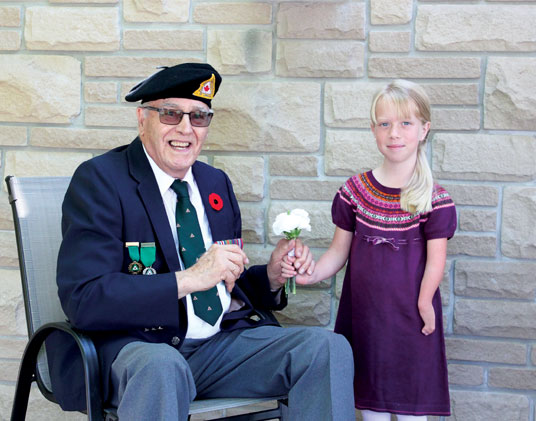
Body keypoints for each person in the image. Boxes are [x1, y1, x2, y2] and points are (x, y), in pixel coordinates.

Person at [46, 62, 355, 421]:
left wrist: (270, 276)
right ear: (142, 119)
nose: (185, 128)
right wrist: (190, 278)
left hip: (218, 349)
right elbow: (85, 299)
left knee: (327, 349)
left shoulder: (214, 184)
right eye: (170, 114)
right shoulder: (101, 181)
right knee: (161, 366)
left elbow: (224, 286)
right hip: (139, 350)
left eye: (198, 117)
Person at [284, 80, 456, 420]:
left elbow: (436, 262)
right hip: (365, 320)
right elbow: (338, 251)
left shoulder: (434, 200)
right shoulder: (355, 191)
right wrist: (312, 273)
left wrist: (424, 302)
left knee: (412, 411)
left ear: (424, 129)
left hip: (412, 321)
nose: (395, 133)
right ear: (374, 130)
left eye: (406, 123)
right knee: (368, 407)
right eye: (385, 123)